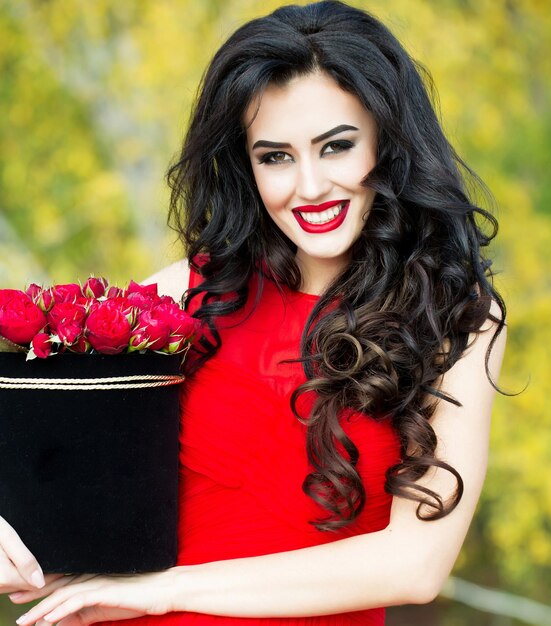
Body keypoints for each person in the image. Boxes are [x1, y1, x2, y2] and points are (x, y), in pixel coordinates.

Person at [2, 1, 507, 624]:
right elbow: (57, 448)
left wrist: (170, 587)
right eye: (276, 156)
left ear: (389, 142)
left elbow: (415, 565)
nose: (310, 186)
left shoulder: (457, 316)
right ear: (246, 165)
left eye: (337, 146)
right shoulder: (187, 294)